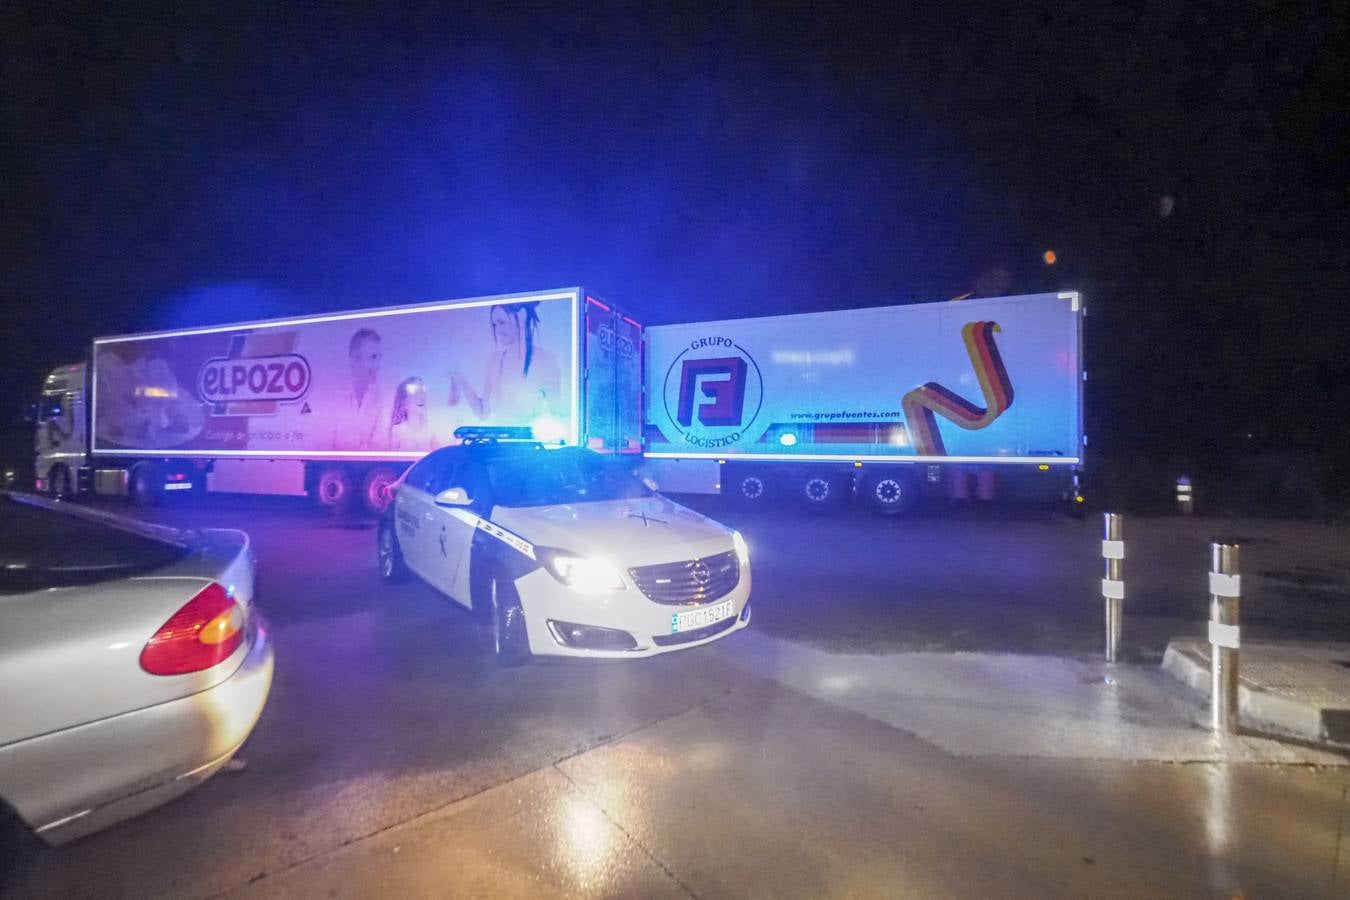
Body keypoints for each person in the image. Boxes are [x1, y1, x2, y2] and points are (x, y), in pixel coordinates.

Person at [449, 302, 561, 425]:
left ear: (521, 316)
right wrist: (462, 381)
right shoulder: (494, 360)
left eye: (502, 322)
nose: (498, 331)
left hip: (528, 442)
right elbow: (483, 413)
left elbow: (558, 414)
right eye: (495, 325)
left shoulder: (545, 360)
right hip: (498, 441)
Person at [331, 327, 385, 450]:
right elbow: (321, 448)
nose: (378, 365)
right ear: (354, 359)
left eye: (379, 358)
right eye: (373, 357)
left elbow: (378, 446)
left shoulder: (377, 398)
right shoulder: (333, 396)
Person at [388, 377, 440, 452]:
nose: (421, 396)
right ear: (404, 401)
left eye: (422, 391)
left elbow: (443, 456)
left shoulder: (428, 432)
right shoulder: (397, 431)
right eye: (415, 392)